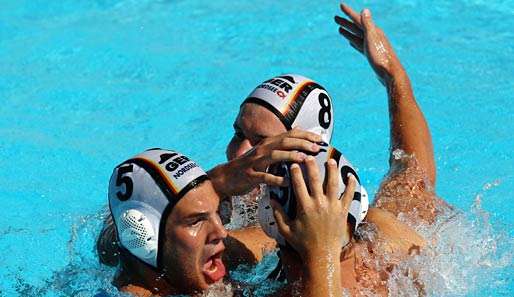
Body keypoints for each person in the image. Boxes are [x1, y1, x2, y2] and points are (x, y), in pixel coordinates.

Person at [208, 3, 450, 295]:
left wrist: (212, 186)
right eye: (238, 133)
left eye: (263, 144)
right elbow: (411, 170)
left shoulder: (260, 246)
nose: (241, 156)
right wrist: (394, 77)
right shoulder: (390, 242)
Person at [104, 148, 355, 297]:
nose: (220, 231)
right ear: (144, 238)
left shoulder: (184, 268)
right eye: (196, 221)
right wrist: (322, 252)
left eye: (218, 211)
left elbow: (269, 240)